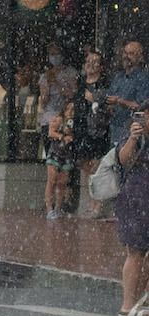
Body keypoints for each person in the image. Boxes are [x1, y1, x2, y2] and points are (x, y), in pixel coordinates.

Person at [115, 100, 149, 316]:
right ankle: (128, 304)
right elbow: (123, 159)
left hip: (139, 195)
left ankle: (143, 301)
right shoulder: (137, 136)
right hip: (137, 197)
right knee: (135, 251)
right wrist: (133, 137)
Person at [75, 51, 112, 219]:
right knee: (87, 170)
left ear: (101, 67)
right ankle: (91, 206)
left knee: (98, 169)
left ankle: (98, 206)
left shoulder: (104, 85)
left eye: (94, 61)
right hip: (83, 132)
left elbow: (109, 108)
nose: (90, 64)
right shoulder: (81, 85)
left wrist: (94, 99)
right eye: (88, 61)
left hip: (99, 132)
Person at [107, 42, 149, 146]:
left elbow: (141, 106)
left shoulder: (143, 79)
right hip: (114, 131)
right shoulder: (118, 77)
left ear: (140, 58)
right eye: (125, 53)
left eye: (131, 53)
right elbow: (109, 100)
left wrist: (119, 101)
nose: (126, 56)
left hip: (132, 134)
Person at [45, 102, 76, 219]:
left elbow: (73, 137)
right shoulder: (58, 119)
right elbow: (50, 133)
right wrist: (62, 136)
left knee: (62, 182)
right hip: (55, 153)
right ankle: (49, 208)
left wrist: (70, 134)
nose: (70, 113)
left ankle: (58, 208)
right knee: (52, 181)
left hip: (66, 154)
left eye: (73, 110)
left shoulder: (72, 123)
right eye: (68, 109)